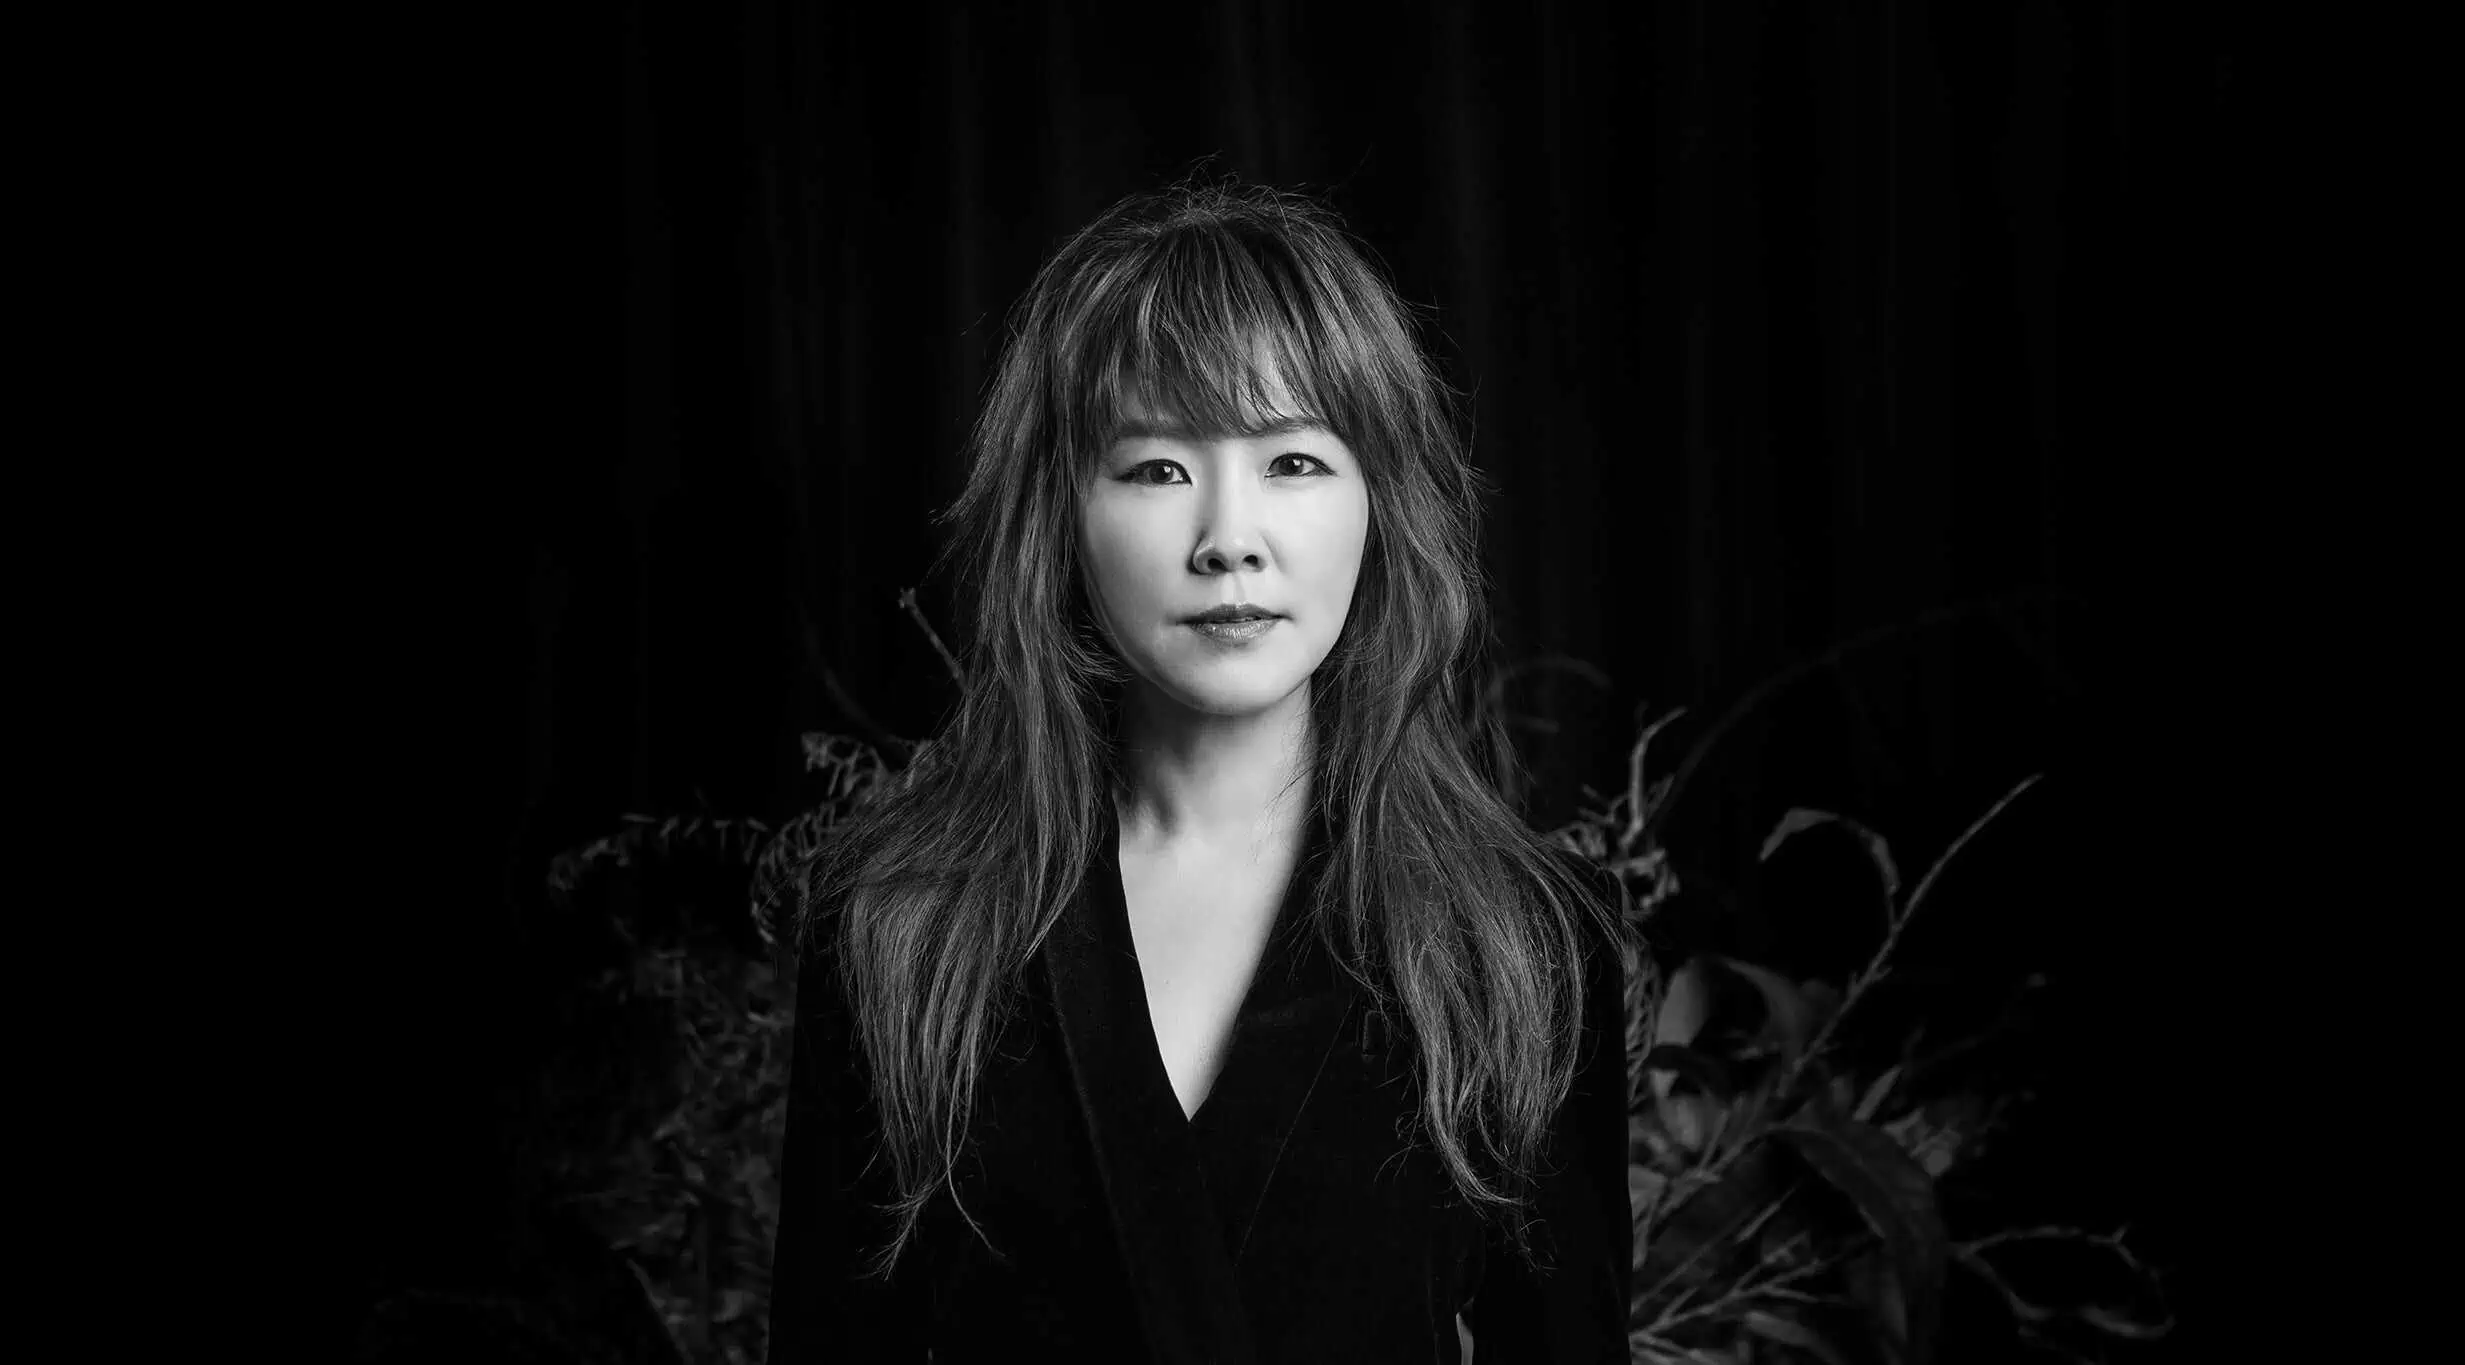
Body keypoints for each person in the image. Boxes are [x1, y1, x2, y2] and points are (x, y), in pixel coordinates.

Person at [768, 178, 1635, 1364]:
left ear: (1381, 505)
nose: (1228, 539)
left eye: (1294, 461)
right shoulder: (899, 926)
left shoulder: (1522, 942)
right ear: (1058, 518)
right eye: (1157, 469)